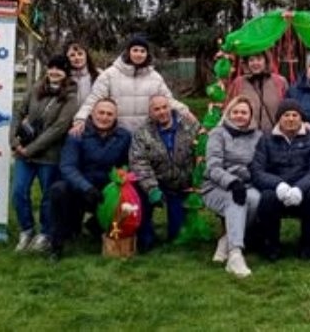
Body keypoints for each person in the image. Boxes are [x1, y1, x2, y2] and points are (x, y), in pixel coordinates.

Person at [11, 54, 80, 253]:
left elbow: (58, 129)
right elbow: (19, 113)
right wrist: (14, 141)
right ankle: (26, 230)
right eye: (52, 67)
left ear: (66, 72)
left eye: (60, 69)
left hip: (50, 154)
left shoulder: (70, 97)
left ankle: (45, 233)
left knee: (47, 196)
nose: (54, 72)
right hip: (24, 152)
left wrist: (30, 149)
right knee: (18, 191)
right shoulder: (36, 89)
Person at [47, 98, 132, 261]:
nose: (104, 117)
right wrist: (86, 187)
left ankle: (96, 225)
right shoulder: (76, 134)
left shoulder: (124, 136)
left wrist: (120, 179)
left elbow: (126, 164)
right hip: (81, 188)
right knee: (58, 190)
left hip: (108, 189)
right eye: (101, 112)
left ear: (116, 117)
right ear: (92, 114)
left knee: (130, 193)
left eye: (109, 114)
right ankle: (56, 245)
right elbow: (68, 167)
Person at [250, 99, 310, 261]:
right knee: (267, 197)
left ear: (301, 118)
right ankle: (272, 244)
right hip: (277, 190)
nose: (290, 119)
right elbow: (257, 171)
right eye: (286, 115)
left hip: (303, 191)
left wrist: (300, 188)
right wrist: (278, 184)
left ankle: (307, 243)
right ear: (279, 118)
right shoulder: (266, 139)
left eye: (294, 115)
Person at [70, 35, 193, 135]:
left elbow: (168, 100)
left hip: (146, 135)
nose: (139, 54)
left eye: (142, 51)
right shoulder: (110, 74)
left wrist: (185, 112)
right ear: (128, 52)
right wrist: (81, 118)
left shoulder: (155, 77)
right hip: (117, 134)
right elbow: (94, 99)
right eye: (135, 50)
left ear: (147, 54)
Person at [201, 95, 262, 278]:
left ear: (250, 116)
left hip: (247, 184)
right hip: (216, 185)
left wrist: (245, 180)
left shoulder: (258, 136)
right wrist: (232, 182)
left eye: (244, 112)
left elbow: (259, 164)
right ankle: (235, 255)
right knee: (236, 202)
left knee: (256, 199)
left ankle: (227, 240)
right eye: (235, 112)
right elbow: (213, 167)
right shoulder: (217, 134)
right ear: (228, 113)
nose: (239, 116)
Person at [129, 95, 200, 251]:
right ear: (150, 113)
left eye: (164, 107)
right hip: (156, 183)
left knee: (178, 236)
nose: (162, 112)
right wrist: (152, 188)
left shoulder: (190, 126)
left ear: (170, 107)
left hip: (182, 186)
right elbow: (139, 163)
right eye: (156, 109)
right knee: (138, 193)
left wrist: (197, 181)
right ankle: (145, 236)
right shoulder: (141, 133)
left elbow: (202, 151)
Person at [226, 52, 288, 132]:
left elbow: (288, 109)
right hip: (246, 135)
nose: (255, 63)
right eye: (251, 60)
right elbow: (228, 110)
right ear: (247, 63)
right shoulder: (239, 83)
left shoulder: (280, 82)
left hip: (274, 135)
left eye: (259, 59)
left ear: (266, 61)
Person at [64, 40, 99, 106]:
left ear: (86, 56)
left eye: (80, 54)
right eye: (72, 55)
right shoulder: (64, 77)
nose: (77, 57)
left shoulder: (99, 75)